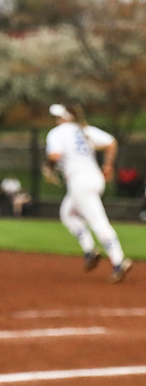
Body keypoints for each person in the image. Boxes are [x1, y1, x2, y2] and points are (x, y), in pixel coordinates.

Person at [43, 103, 133, 282]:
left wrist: (49, 169)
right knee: (68, 214)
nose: (57, 120)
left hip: (79, 181)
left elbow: (54, 155)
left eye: (58, 116)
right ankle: (90, 251)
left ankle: (118, 261)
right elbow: (111, 142)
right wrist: (108, 166)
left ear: (63, 118)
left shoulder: (57, 133)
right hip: (94, 177)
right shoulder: (84, 129)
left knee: (97, 221)